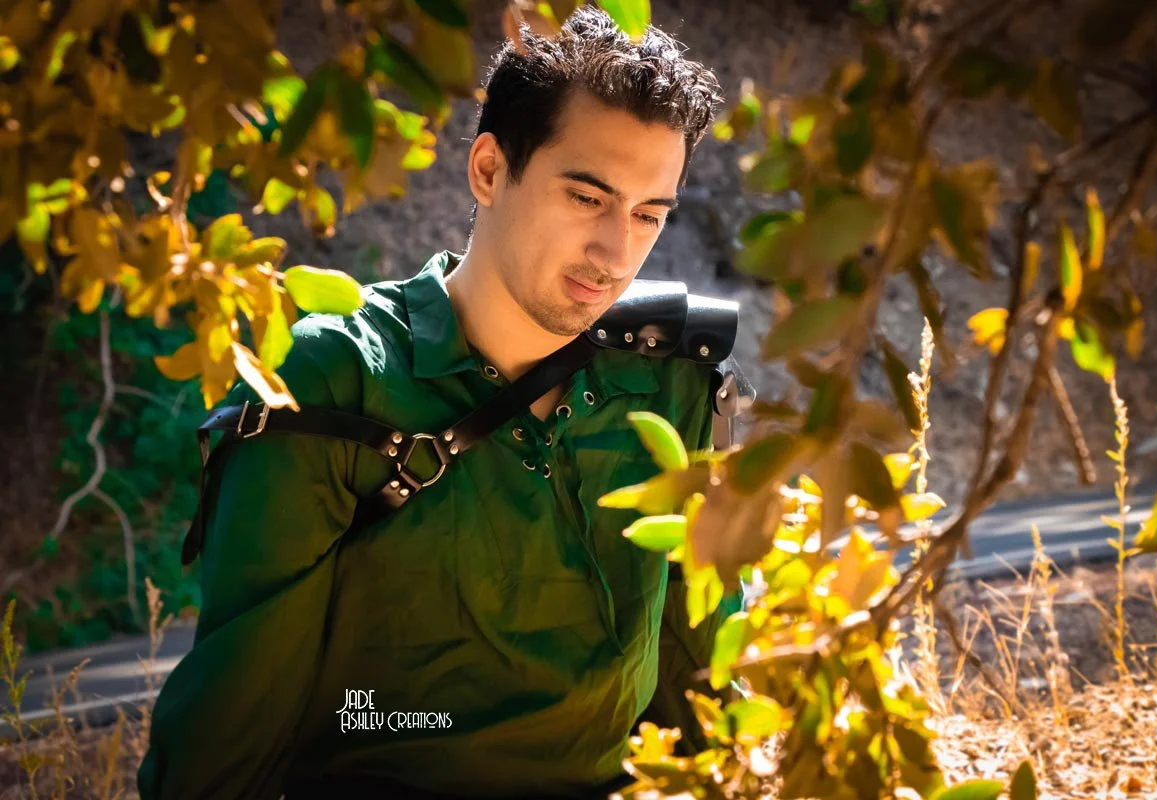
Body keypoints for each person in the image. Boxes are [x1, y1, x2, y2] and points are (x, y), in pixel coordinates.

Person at [138, 6, 745, 799]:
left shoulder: (671, 377)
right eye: (588, 198)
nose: (615, 253)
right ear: (489, 170)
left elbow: (703, 683)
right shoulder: (333, 380)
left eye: (648, 215)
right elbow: (229, 733)